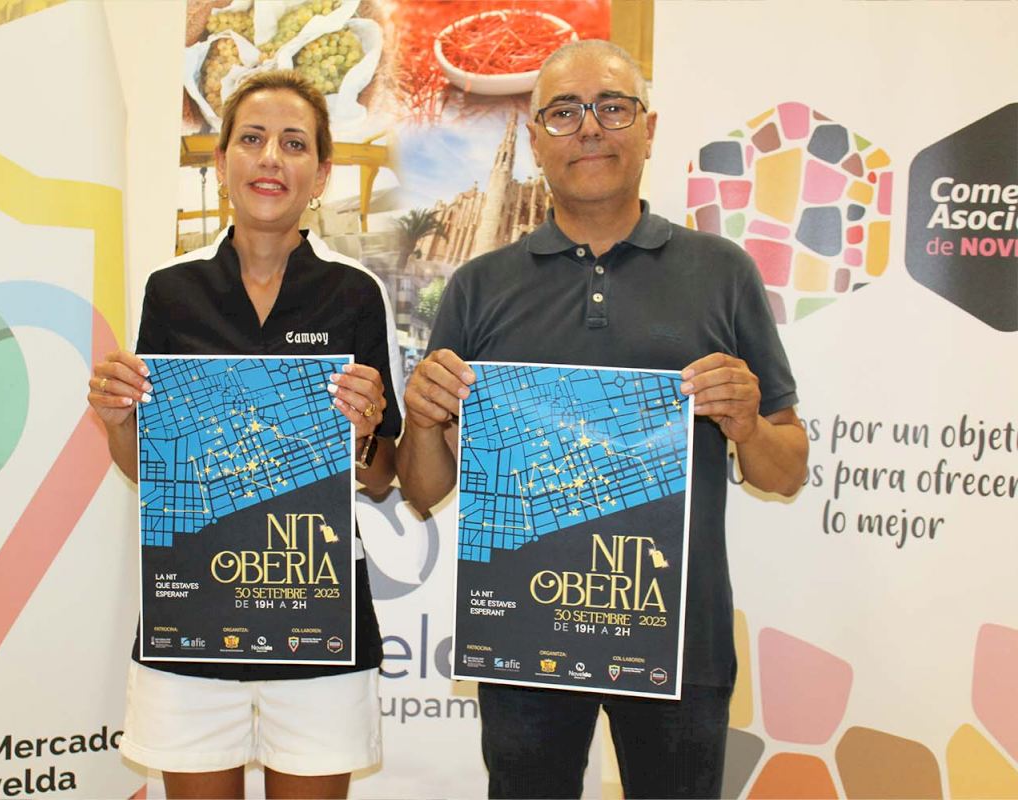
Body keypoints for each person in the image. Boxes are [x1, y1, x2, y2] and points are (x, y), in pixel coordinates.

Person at [396, 40, 809, 800]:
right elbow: (423, 490)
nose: (589, 128)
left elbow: (787, 470)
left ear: (649, 129)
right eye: (563, 112)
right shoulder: (479, 287)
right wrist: (422, 422)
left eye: (612, 108)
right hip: (525, 632)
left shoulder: (722, 273)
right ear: (535, 139)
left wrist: (750, 425)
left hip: (674, 638)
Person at [88, 70, 402, 800]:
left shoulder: (355, 292)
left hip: (317, 601)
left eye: (294, 144)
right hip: (193, 597)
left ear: (321, 174)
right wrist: (117, 419)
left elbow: (383, 474)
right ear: (221, 158)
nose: (270, 158)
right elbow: (149, 468)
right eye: (252, 139)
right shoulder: (171, 290)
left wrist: (362, 433)